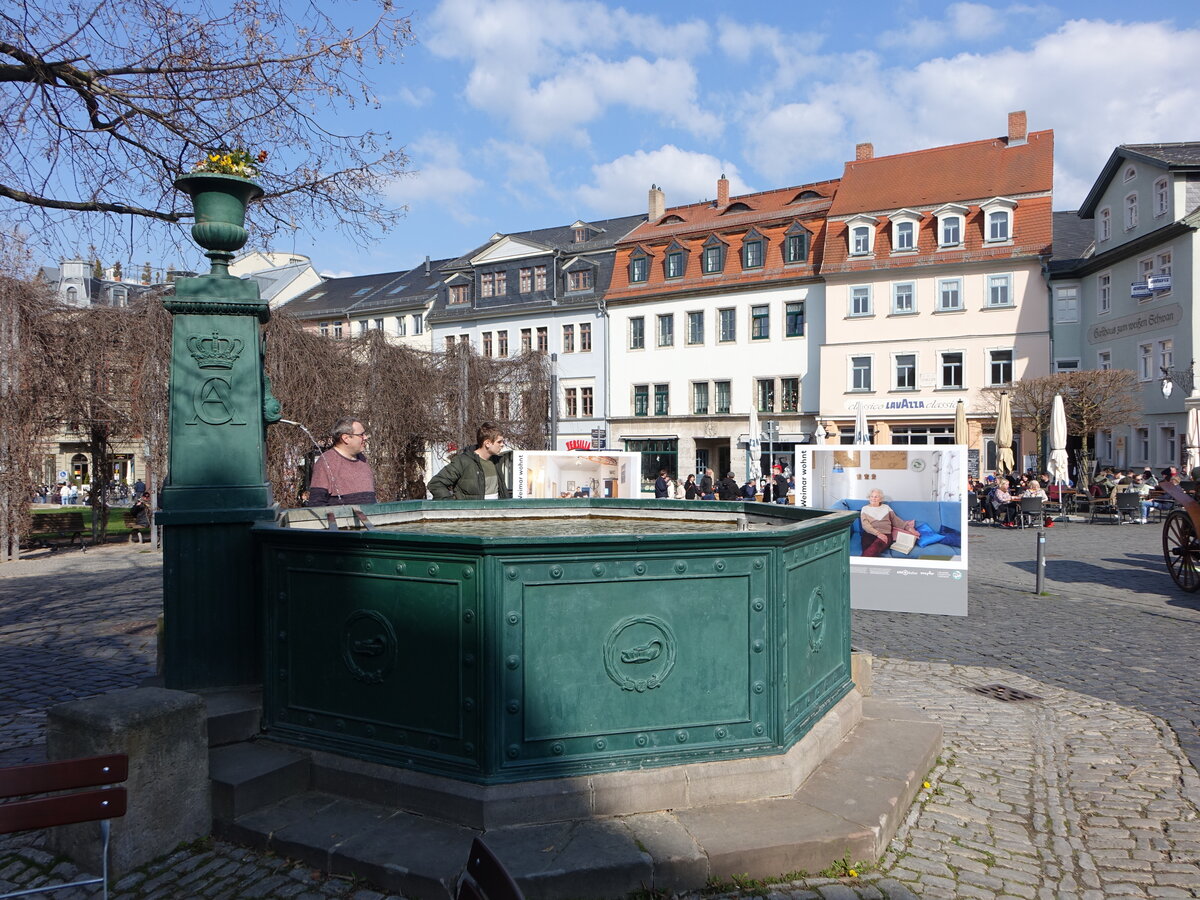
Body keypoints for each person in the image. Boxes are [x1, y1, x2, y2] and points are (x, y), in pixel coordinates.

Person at [428, 422, 511, 500]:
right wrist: (451, 505)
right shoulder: (463, 461)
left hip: (496, 513)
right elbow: (436, 483)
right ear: (487, 443)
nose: (502, 444)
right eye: (499, 442)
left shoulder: (498, 461)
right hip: (471, 513)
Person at [306, 416, 377, 506]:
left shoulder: (363, 459)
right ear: (346, 438)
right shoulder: (326, 462)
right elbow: (317, 503)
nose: (365, 437)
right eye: (361, 435)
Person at [859, 489, 915, 557]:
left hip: (885, 534)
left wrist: (909, 528)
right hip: (870, 533)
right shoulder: (865, 509)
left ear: (880, 499)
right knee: (867, 548)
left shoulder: (886, 507)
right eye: (871, 496)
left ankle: (857, 565)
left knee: (875, 548)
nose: (873, 498)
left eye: (876, 497)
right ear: (869, 498)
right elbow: (865, 525)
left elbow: (895, 520)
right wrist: (878, 533)